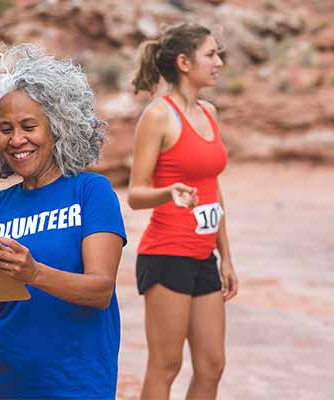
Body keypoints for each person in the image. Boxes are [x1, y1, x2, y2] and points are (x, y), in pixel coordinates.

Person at [0, 44, 127, 399]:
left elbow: (100, 290)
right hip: (9, 385)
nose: (16, 139)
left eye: (28, 126)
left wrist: (33, 273)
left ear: (58, 128)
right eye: (5, 129)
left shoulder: (90, 192)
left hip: (78, 385)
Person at [127, 23, 239, 400]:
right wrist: (167, 192)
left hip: (203, 255)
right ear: (184, 62)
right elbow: (136, 193)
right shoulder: (158, 115)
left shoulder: (209, 111)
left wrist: (225, 255)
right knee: (166, 365)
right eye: (211, 54)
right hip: (166, 254)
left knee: (212, 365)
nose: (219, 62)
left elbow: (213, 188)